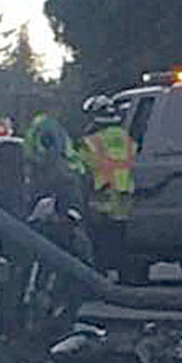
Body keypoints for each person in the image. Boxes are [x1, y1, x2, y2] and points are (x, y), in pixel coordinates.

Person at [75, 94, 137, 273]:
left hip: (100, 195)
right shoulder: (125, 137)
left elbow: (83, 170)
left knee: (98, 241)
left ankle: (100, 277)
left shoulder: (91, 140)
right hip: (123, 196)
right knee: (119, 239)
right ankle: (124, 273)